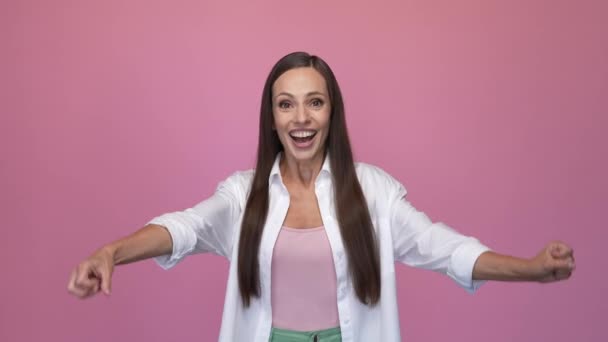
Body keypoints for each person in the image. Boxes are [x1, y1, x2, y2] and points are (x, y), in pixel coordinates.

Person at [67, 51, 576, 342]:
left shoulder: (372, 191)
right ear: (272, 117)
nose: (301, 118)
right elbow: (183, 228)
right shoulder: (243, 195)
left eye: (315, 102)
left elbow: (445, 248)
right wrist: (111, 252)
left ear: (332, 111)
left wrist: (530, 268)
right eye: (286, 105)